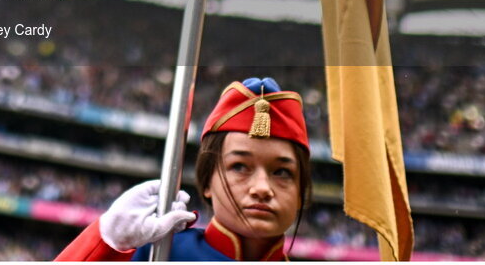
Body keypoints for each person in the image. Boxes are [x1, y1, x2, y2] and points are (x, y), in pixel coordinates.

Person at [56, 77, 311, 261]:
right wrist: (106, 241)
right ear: (207, 182)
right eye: (240, 166)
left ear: (300, 193)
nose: (262, 188)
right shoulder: (159, 254)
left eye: (281, 172)